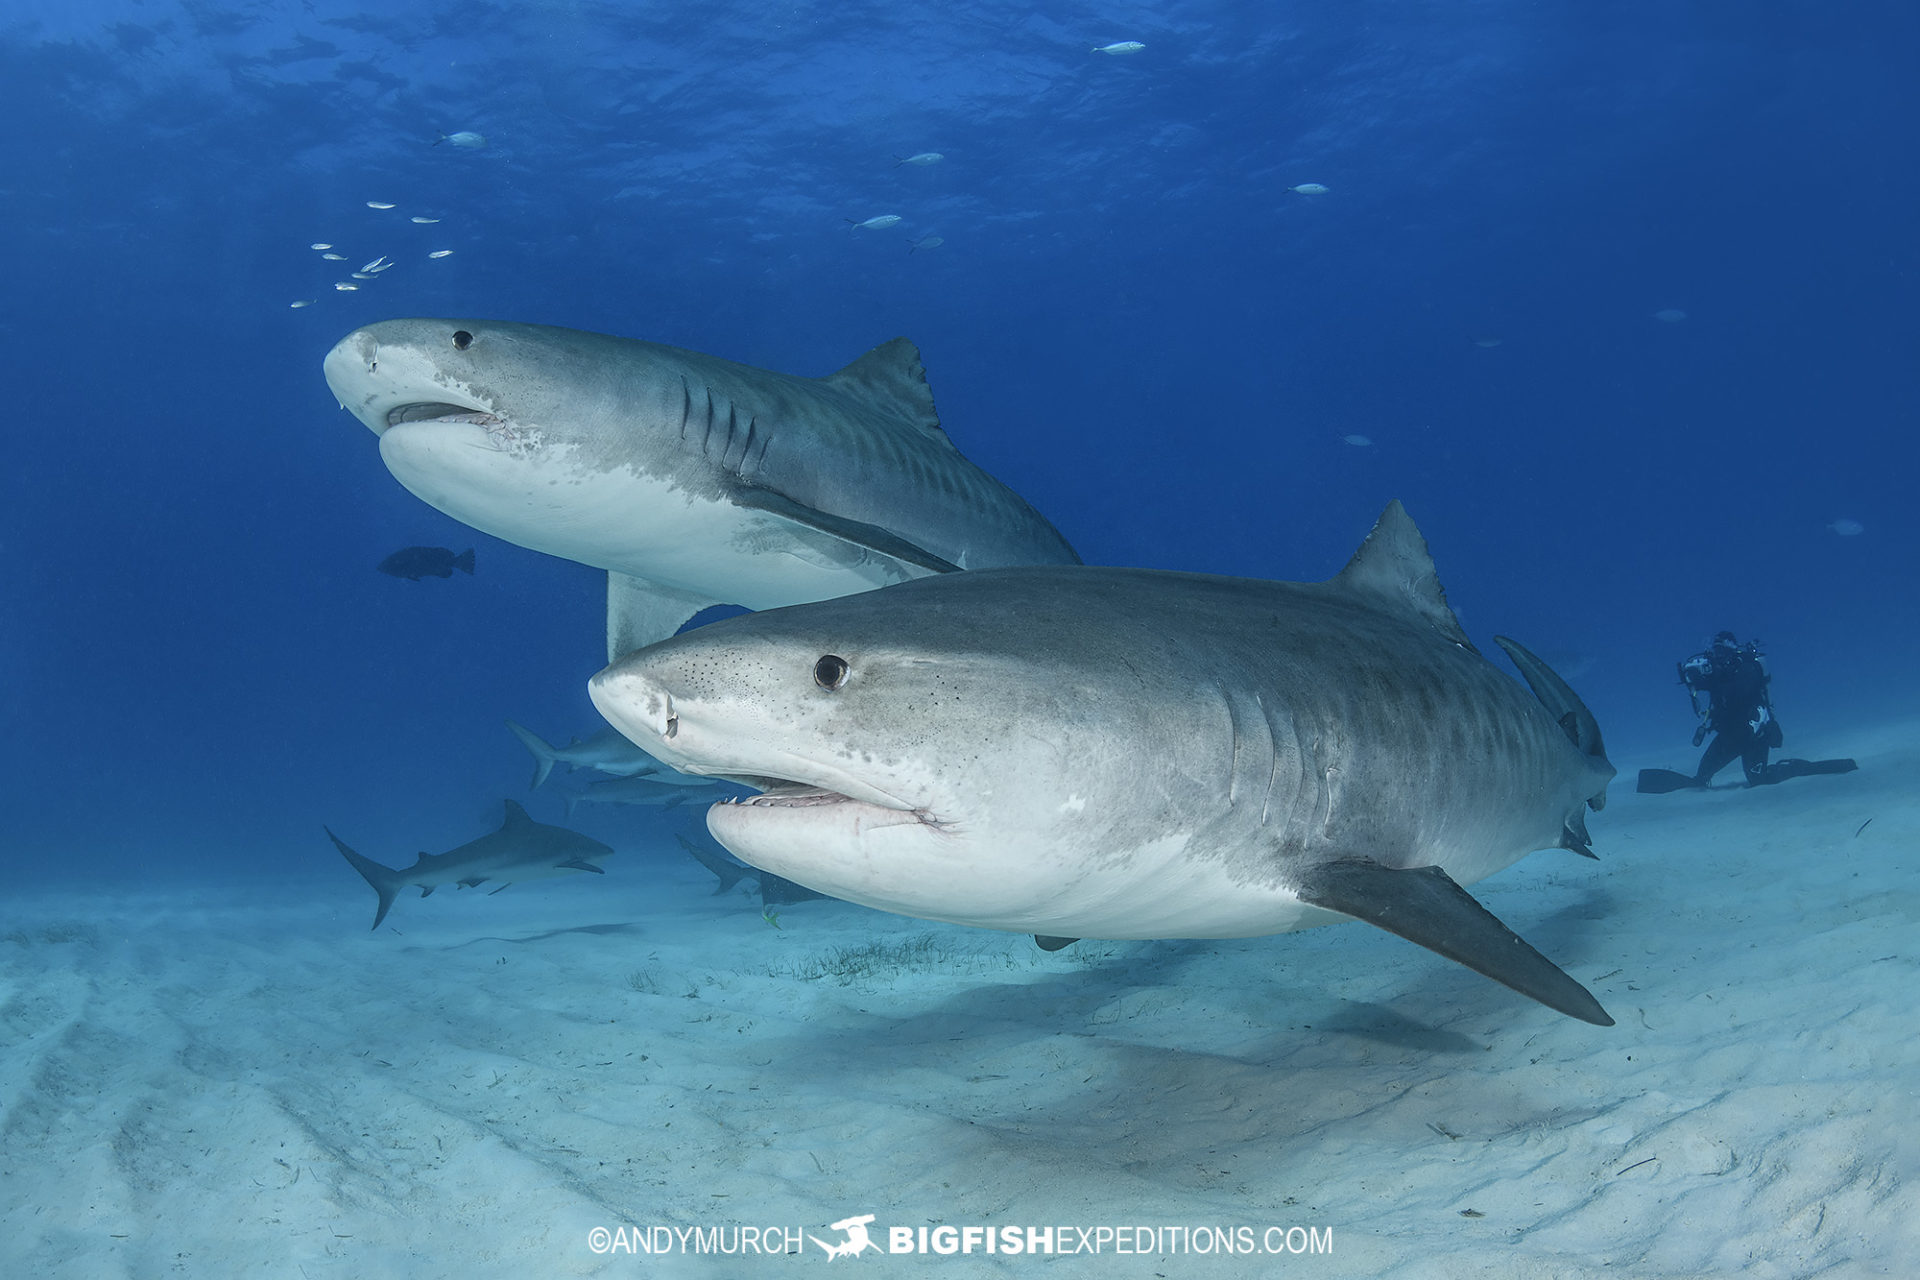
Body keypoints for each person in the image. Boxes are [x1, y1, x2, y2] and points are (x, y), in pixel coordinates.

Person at [1637, 631, 1857, 794]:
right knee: (1700, 779)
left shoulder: (1747, 668)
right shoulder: (1716, 675)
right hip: (1728, 738)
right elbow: (1701, 690)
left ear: (1733, 650)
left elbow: (1741, 691)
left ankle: (1794, 767)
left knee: (1759, 780)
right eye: (1716, 652)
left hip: (1753, 736)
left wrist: (1716, 677)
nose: (1719, 657)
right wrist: (1692, 676)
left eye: (1723, 651)